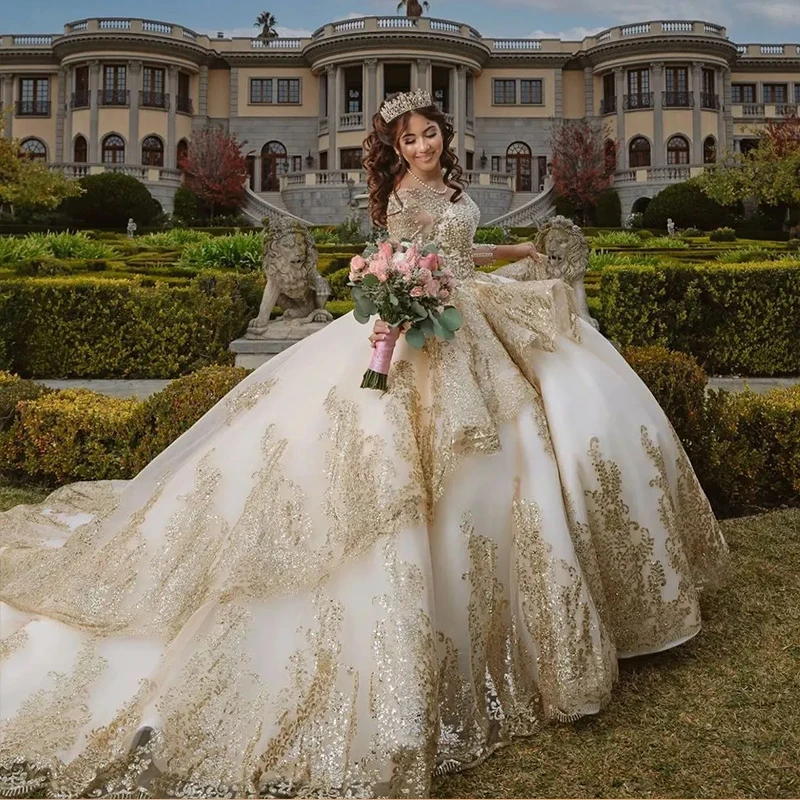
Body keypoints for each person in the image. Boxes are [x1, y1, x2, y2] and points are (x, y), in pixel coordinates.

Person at [0, 90, 727, 799]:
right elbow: (400, 259)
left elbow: (465, 248)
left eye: (429, 135)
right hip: (423, 331)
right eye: (408, 140)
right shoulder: (404, 198)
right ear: (395, 149)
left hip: (474, 312)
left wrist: (521, 248)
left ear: (445, 134)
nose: (422, 147)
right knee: (410, 461)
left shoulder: (452, 189)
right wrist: (402, 303)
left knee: (543, 424)